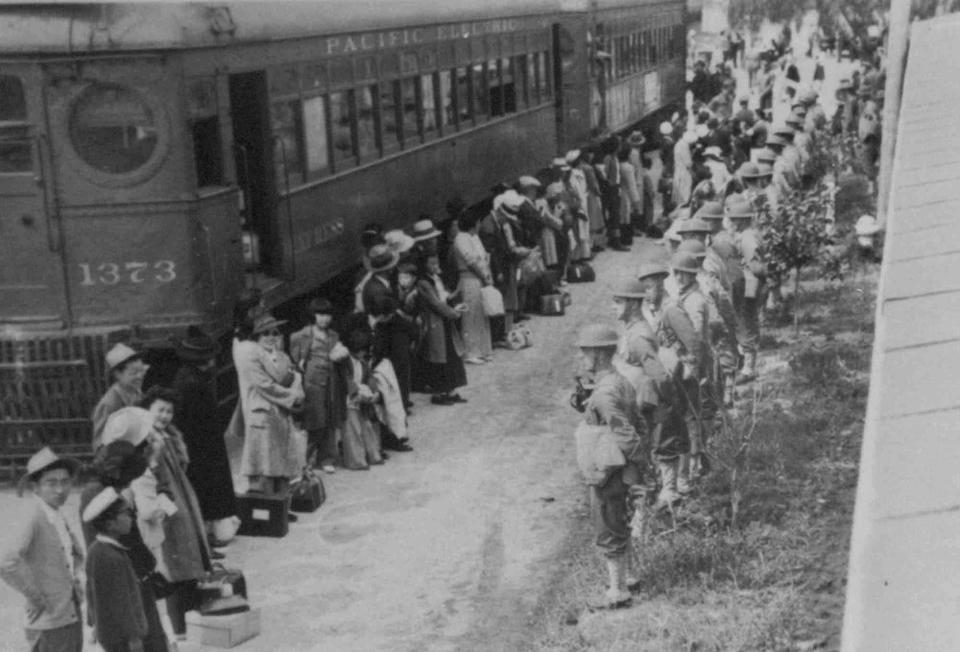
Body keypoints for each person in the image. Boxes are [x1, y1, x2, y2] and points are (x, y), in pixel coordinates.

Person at [571, 324, 647, 610]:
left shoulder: (604, 393)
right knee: (620, 520)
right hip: (619, 466)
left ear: (600, 354)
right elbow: (638, 422)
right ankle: (629, 578)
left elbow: (624, 432)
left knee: (607, 522)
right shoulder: (620, 381)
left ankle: (617, 592)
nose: (582, 358)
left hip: (608, 468)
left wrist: (637, 462)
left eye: (585, 352)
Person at [80, 421, 168, 652]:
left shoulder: (114, 490)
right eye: (129, 477)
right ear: (117, 472)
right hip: (126, 586)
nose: (130, 483)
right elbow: (99, 558)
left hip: (137, 579)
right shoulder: (96, 495)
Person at [139, 387, 213, 642]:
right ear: (148, 409)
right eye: (160, 409)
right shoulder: (146, 438)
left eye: (169, 411)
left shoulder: (169, 435)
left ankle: (191, 624)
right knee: (174, 570)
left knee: (189, 566)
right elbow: (146, 474)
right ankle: (180, 631)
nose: (165, 415)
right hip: (165, 507)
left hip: (180, 502)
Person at [610, 280, 688, 507]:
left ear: (633, 305)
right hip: (640, 399)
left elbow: (659, 375)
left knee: (654, 447)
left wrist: (667, 402)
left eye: (618, 302)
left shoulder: (638, 337)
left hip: (649, 401)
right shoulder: (633, 330)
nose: (613, 307)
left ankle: (662, 495)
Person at [0, 447, 83, 652]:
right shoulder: (33, 515)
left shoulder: (55, 514)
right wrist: (34, 597)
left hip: (67, 612)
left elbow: (69, 558)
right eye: (51, 483)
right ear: (35, 487)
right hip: (50, 620)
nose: (60, 490)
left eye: (65, 482)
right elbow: (7, 561)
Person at [170, 329, 239, 544]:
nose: (212, 363)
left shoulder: (185, 377)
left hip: (197, 445)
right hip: (203, 448)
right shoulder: (195, 385)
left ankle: (209, 529)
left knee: (203, 489)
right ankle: (212, 532)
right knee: (210, 489)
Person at [237, 312, 306, 497]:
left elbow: (294, 379)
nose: (270, 338)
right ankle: (266, 511)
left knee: (282, 464)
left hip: (281, 414)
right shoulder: (251, 356)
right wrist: (292, 397)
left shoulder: (283, 357)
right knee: (264, 465)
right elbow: (263, 385)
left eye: (275, 333)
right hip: (263, 414)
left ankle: (282, 508)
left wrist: (297, 391)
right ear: (257, 337)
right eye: (265, 333)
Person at [82, 488, 148, 652]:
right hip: (122, 638)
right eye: (125, 514)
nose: (130, 518)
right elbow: (123, 602)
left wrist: (95, 622)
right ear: (110, 524)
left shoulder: (95, 550)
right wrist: (133, 637)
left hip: (108, 632)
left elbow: (90, 591)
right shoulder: (114, 557)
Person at [289, 298, 349, 473]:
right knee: (314, 420)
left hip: (331, 382)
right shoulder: (302, 335)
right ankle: (304, 459)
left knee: (330, 419)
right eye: (320, 314)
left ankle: (326, 458)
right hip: (311, 384)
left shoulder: (334, 335)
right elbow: (296, 358)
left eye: (327, 315)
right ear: (313, 315)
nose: (324, 319)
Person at [413, 254, 468, 405]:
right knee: (438, 358)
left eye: (436, 262)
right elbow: (435, 303)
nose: (435, 265)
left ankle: (451, 391)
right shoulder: (423, 283)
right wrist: (453, 313)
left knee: (450, 355)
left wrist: (455, 298)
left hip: (444, 321)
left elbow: (444, 297)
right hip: (434, 322)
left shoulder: (437, 279)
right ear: (424, 265)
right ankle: (438, 394)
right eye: (431, 263)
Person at [724, 194, 763, 383]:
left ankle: (748, 369)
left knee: (745, 321)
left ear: (743, 219)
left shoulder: (748, 239)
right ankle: (746, 364)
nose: (732, 222)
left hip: (749, 284)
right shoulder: (747, 235)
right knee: (744, 320)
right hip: (746, 283)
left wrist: (743, 268)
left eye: (734, 219)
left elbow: (756, 267)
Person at [452, 211, 494, 364]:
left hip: (479, 278)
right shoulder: (461, 238)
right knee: (470, 315)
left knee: (481, 314)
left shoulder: (473, 238)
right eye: (478, 222)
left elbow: (482, 258)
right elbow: (470, 262)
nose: (479, 225)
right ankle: (470, 351)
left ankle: (483, 349)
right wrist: (483, 276)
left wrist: (487, 276)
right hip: (469, 278)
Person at [341, 326, 384, 470]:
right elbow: (346, 380)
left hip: (362, 399)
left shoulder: (363, 362)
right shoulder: (345, 361)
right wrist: (355, 393)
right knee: (353, 430)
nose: (363, 353)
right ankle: (356, 461)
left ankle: (374, 455)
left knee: (367, 427)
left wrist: (376, 391)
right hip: (349, 400)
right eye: (361, 350)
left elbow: (370, 378)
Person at [92, 343, 149, 449]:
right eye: (133, 373)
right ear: (118, 374)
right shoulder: (110, 403)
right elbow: (100, 443)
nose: (140, 376)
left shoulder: (137, 393)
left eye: (141, 371)